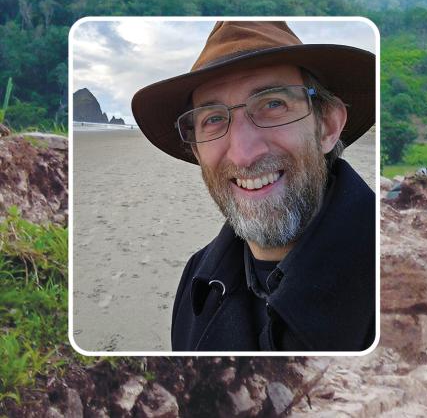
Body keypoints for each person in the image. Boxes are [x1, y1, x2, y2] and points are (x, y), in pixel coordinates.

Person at [132, 21, 376, 351]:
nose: (244, 155)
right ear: (197, 151)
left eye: (273, 104)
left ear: (327, 126)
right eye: (213, 119)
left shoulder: (393, 276)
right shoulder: (196, 280)